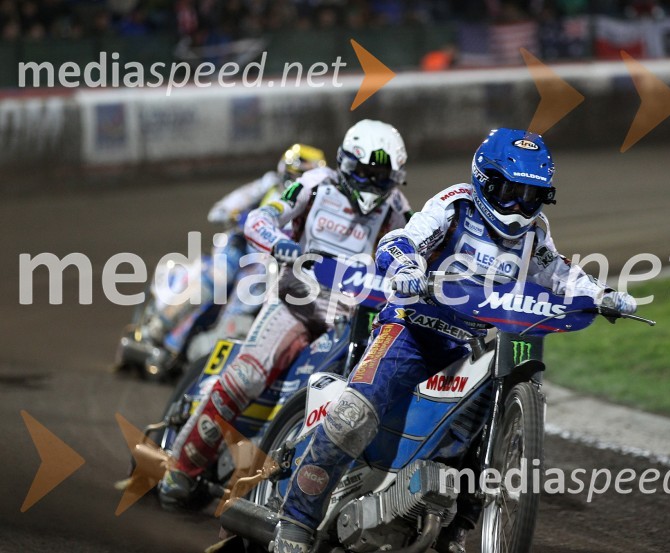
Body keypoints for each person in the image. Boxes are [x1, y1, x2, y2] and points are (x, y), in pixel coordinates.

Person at [271, 128, 637, 553]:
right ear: (485, 180)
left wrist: (602, 295)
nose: (519, 206)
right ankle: (295, 522)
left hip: (471, 348)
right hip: (412, 329)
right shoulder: (456, 203)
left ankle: (452, 528)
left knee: (473, 441)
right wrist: (407, 265)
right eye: (509, 191)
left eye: (531, 196)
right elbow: (399, 239)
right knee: (354, 414)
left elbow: (557, 272)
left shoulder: (535, 231)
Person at [157, 120, 412, 506]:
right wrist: (278, 242)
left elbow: (409, 251)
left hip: (354, 316)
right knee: (245, 376)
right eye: (367, 172)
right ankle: (181, 467)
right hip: (296, 302)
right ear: (347, 163)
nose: (373, 182)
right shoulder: (316, 185)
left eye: (382, 175)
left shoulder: (395, 207)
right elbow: (262, 216)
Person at [143, 144, 327, 365]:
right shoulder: (268, 185)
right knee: (216, 279)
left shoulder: (319, 204)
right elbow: (219, 211)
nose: (301, 184)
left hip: (270, 266)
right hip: (240, 249)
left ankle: (204, 355)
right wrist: (240, 216)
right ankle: (158, 328)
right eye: (298, 176)